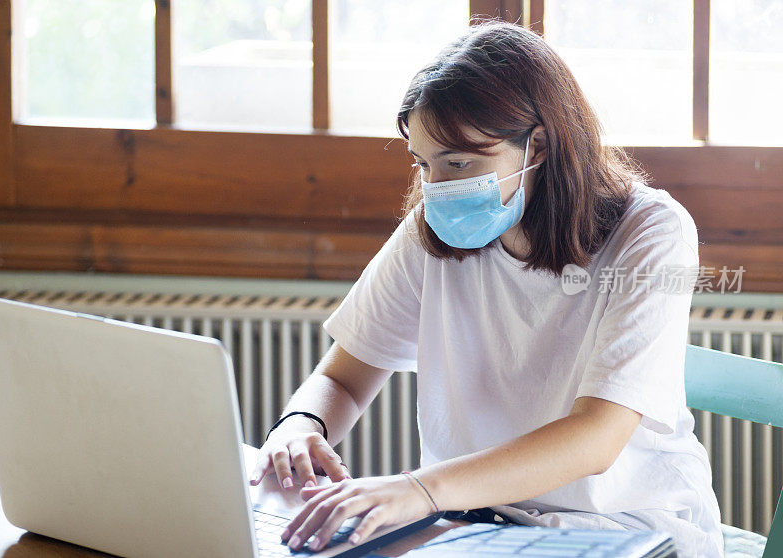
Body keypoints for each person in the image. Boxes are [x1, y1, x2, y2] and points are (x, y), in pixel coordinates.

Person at [250, 19, 724, 558]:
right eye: (424, 164)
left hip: (622, 526)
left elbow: (597, 437)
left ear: (538, 144)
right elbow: (342, 377)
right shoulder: (434, 231)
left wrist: (420, 490)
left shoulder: (653, 231)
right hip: (473, 523)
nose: (439, 187)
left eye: (459, 162)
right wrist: (299, 425)